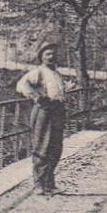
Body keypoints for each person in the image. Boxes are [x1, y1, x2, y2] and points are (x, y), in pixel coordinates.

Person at [16, 41, 67, 195]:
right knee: (42, 146)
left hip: (57, 111)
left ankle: (49, 183)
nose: (52, 57)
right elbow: (21, 85)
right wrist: (36, 96)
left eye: (53, 54)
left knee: (55, 148)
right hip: (44, 111)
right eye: (48, 54)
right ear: (42, 57)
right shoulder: (38, 72)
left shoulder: (57, 73)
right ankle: (39, 184)